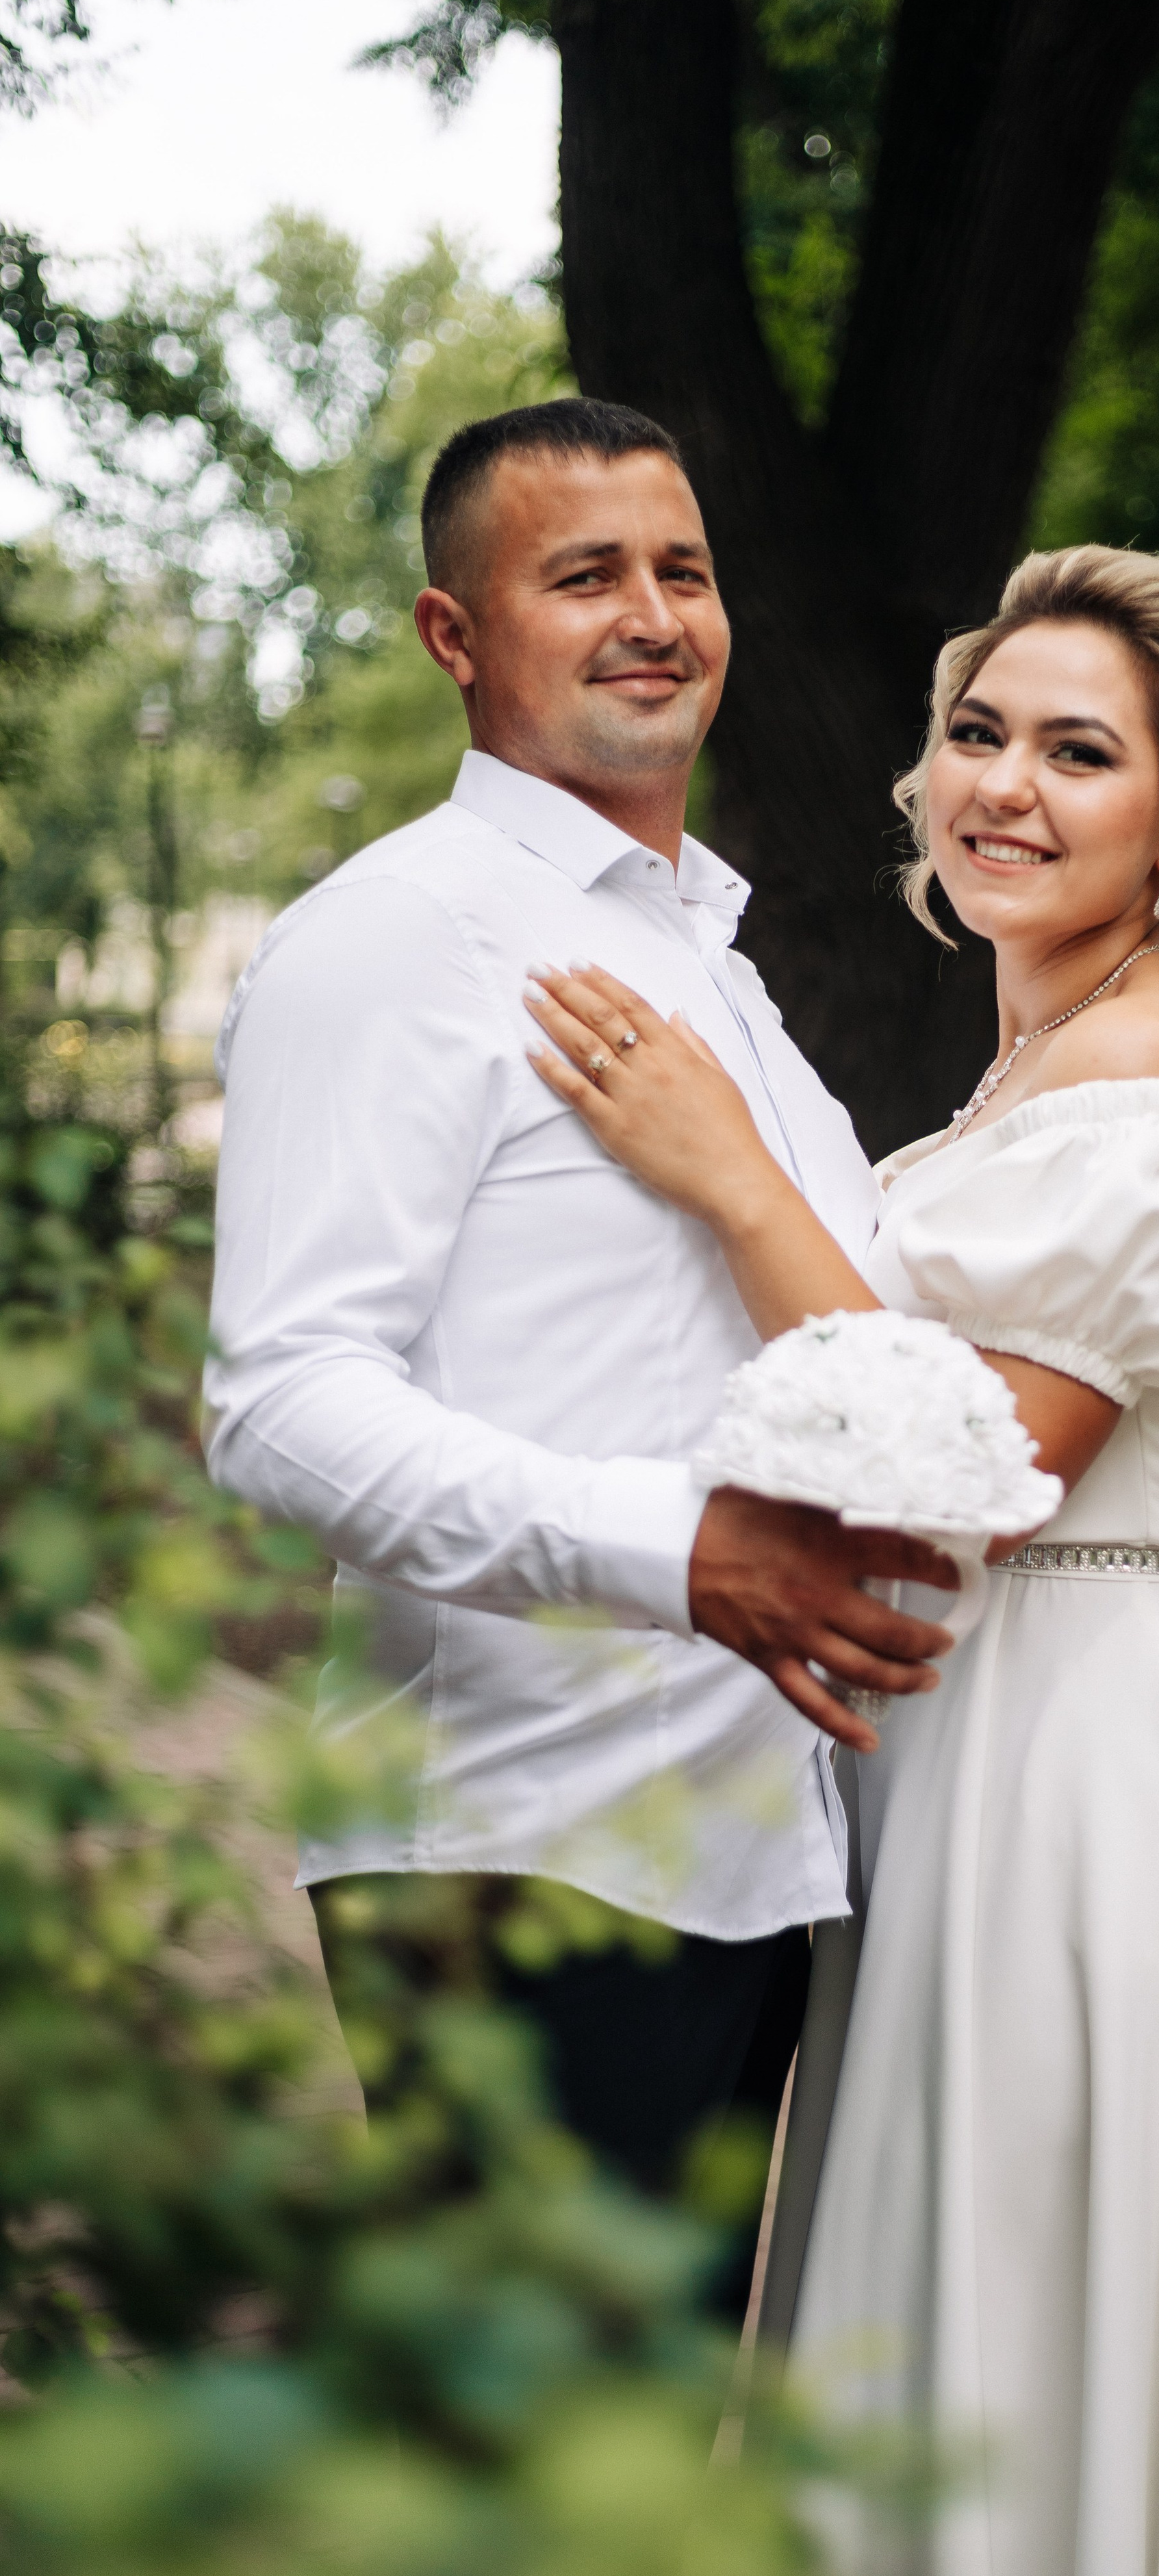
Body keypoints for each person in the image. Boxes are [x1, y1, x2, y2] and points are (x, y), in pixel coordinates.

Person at [526, 545, 1159, 2576]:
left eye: (1081, 752)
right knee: (970, 2290)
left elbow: (969, 1465)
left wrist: (721, 1172)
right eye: (979, 734)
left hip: (1103, 1761)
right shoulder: (1030, 1079)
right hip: (988, 1749)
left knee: (1053, 2277)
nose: (1009, 787)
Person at [203, 396, 956, 2320]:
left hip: (744, 1856)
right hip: (518, 1862)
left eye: (683, 571)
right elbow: (280, 1400)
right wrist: (674, 1549)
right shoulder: (398, 936)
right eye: (585, 574)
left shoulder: (717, 959)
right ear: (458, 636)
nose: (654, 615)